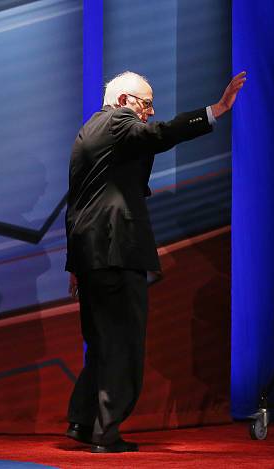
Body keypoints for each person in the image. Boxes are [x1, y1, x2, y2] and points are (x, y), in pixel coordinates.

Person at [64, 70, 246, 453]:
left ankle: (83, 423)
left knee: (101, 342)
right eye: (145, 103)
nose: (149, 111)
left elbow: (77, 203)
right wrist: (214, 110)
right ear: (124, 100)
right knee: (124, 343)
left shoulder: (87, 131)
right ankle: (107, 432)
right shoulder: (117, 121)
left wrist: (75, 265)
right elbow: (160, 134)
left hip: (91, 254)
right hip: (117, 251)